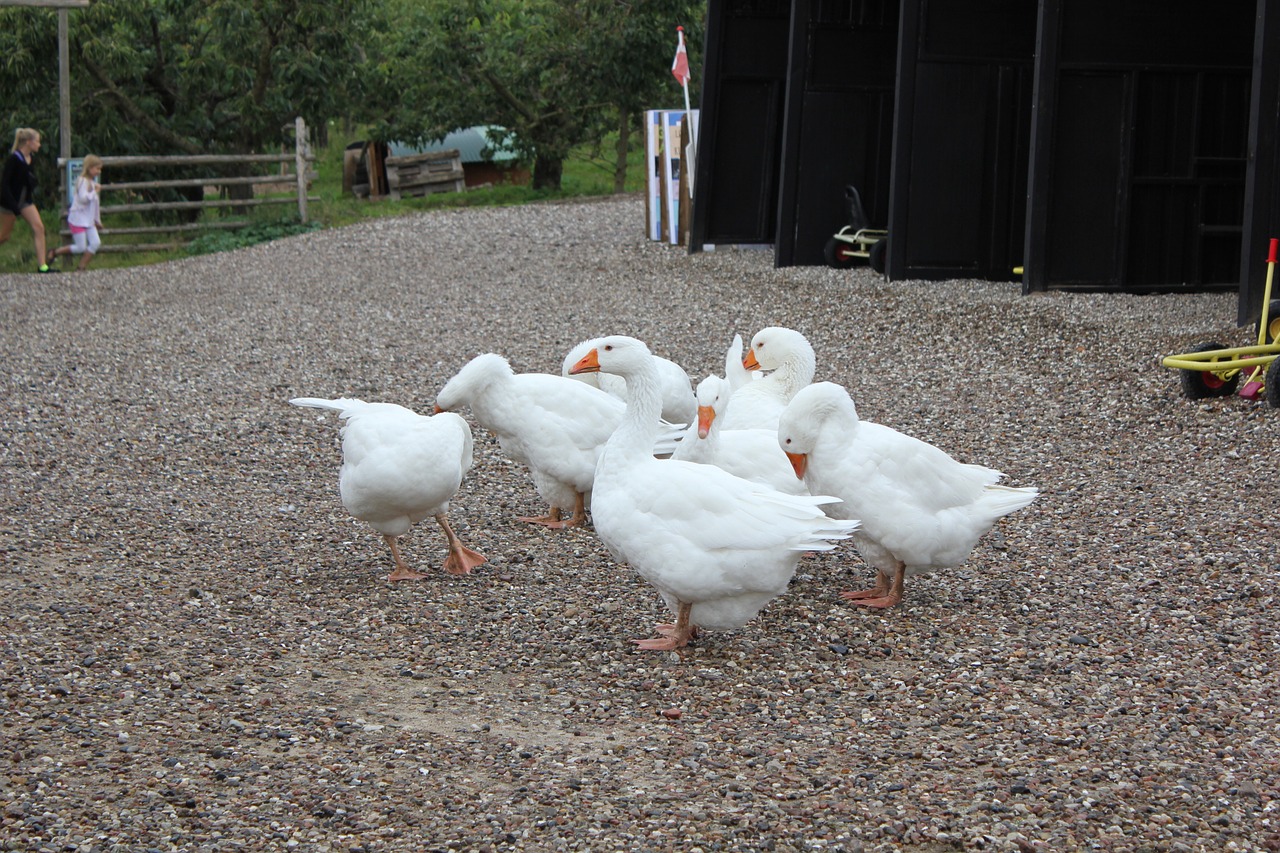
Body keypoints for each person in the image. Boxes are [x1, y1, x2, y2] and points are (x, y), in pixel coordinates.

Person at [0, 127, 55, 273]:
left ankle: (42, 266)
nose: (39, 145)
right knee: (4, 236)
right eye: (37, 141)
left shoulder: (31, 159)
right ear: (29, 142)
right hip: (10, 203)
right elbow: (4, 185)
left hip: (25, 201)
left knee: (39, 228)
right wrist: (13, 206)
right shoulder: (14, 159)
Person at [48, 154, 104, 271]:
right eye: (97, 168)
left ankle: (81, 266)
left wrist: (97, 220)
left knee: (95, 243)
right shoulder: (82, 181)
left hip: (89, 220)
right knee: (80, 247)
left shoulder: (93, 183)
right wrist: (95, 192)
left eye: (100, 169)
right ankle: (55, 252)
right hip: (78, 218)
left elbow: (95, 205)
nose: (99, 171)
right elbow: (83, 199)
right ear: (89, 168)